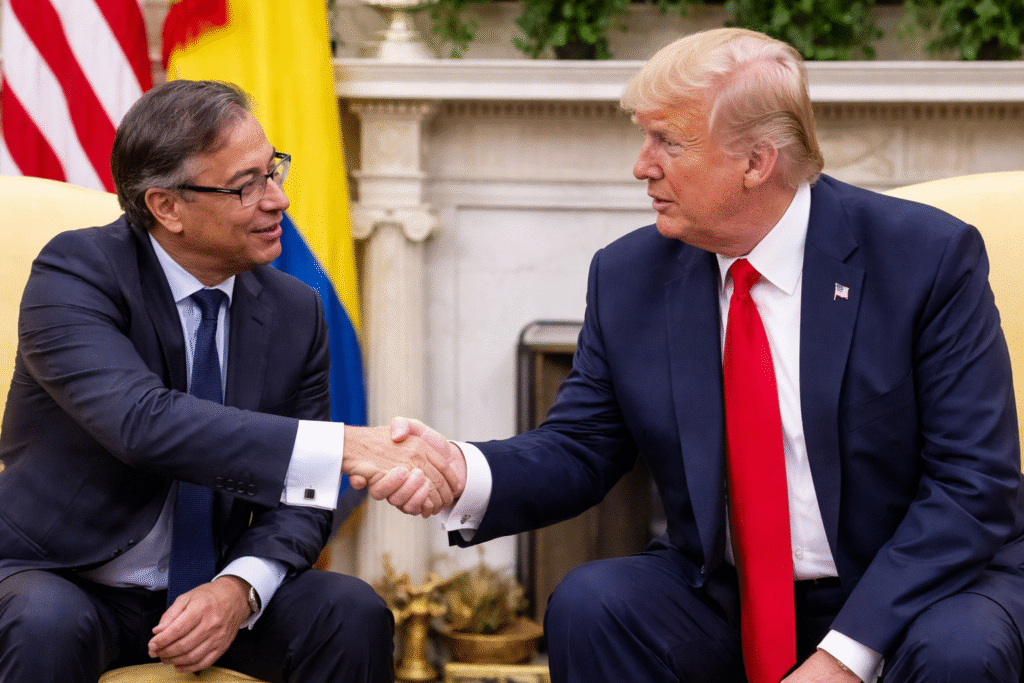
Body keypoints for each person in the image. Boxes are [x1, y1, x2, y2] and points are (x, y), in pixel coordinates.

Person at [386, 27, 1024, 683]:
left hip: (917, 584)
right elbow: (580, 446)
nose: (641, 164)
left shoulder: (922, 257)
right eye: (643, 136)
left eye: (668, 141)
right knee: (593, 604)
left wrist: (843, 656)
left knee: (960, 652)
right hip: (728, 591)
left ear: (756, 162)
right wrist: (462, 470)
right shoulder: (630, 275)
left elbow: (972, 489)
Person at [0, 79, 460, 683]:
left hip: (208, 585)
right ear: (166, 207)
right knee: (45, 620)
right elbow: (142, 423)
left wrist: (240, 588)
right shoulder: (76, 273)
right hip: (64, 576)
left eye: (274, 171)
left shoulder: (296, 309)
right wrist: (347, 445)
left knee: (349, 612)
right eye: (248, 184)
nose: (278, 200)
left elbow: (303, 496)